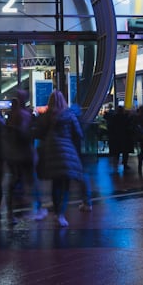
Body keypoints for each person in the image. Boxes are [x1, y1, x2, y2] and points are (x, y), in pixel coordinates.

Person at [34, 90, 84, 227]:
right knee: (65, 185)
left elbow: (38, 133)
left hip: (51, 151)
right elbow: (78, 133)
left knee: (55, 183)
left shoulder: (46, 116)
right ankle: (61, 214)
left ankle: (56, 212)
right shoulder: (69, 115)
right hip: (67, 151)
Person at [105, 106, 133, 171]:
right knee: (125, 151)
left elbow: (110, 127)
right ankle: (125, 163)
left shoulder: (114, 118)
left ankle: (116, 164)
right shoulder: (126, 118)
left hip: (116, 137)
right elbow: (129, 126)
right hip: (125, 137)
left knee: (116, 152)